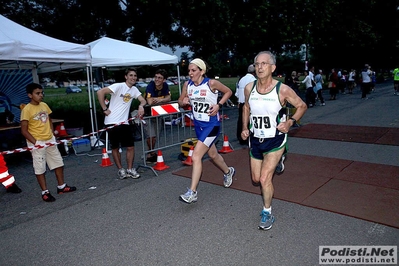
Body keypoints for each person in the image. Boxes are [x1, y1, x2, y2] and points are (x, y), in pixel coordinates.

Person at [241, 51, 307, 230]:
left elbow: (302, 105)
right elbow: (246, 107)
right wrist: (245, 128)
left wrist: (290, 122)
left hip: (276, 139)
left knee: (264, 179)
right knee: (255, 179)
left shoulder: (282, 89)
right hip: (256, 139)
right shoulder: (249, 88)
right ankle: (280, 161)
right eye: (257, 64)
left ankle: (267, 212)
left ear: (272, 68)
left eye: (264, 63)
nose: (260, 67)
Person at [178, 58, 236, 204]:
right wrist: (183, 101)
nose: (190, 73)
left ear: (202, 71)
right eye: (189, 70)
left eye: (193, 70)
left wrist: (218, 105)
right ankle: (228, 171)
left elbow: (228, 91)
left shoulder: (211, 83)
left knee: (196, 156)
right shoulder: (187, 84)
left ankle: (192, 192)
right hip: (198, 125)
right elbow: (180, 100)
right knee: (212, 154)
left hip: (212, 125)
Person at [20, 83, 76, 202]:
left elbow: (49, 119)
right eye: (37, 93)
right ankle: (45, 192)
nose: (41, 95)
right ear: (30, 95)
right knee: (40, 167)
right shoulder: (26, 110)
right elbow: (24, 130)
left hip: (49, 140)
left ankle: (61, 186)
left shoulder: (44, 105)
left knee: (58, 163)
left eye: (42, 93)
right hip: (37, 142)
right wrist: (35, 142)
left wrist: (51, 134)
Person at [97, 68, 146, 179]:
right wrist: (104, 109)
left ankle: (129, 169)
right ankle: (121, 169)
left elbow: (143, 100)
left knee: (130, 147)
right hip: (112, 122)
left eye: (135, 76)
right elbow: (100, 92)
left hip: (124, 122)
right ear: (126, 76)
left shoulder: (134, 89)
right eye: (131, 75)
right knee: (115, 147)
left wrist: (141, 105)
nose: (133, 78)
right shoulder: (118, 86)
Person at [144, 69, 171, 162]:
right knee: (150, 135)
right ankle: (150, 153)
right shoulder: (150, 86)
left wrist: (160, 100)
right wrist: (163, 98)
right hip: (147, 114)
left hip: (158, 113)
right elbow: (150, 101)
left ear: (164, 80)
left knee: (155, 136)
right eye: (156, 77)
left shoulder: (165, 86)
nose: (157, 79)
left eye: (160, 78)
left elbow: (169, 98)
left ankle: (151, 152)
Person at [235, 64, 256, 145]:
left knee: (241, 120)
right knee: (248, 121)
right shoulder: (253, 79)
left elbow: (237, 92)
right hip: (248, 103)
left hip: (241, 102)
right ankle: (247, 137)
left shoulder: (241, 79)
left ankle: (240, 137)